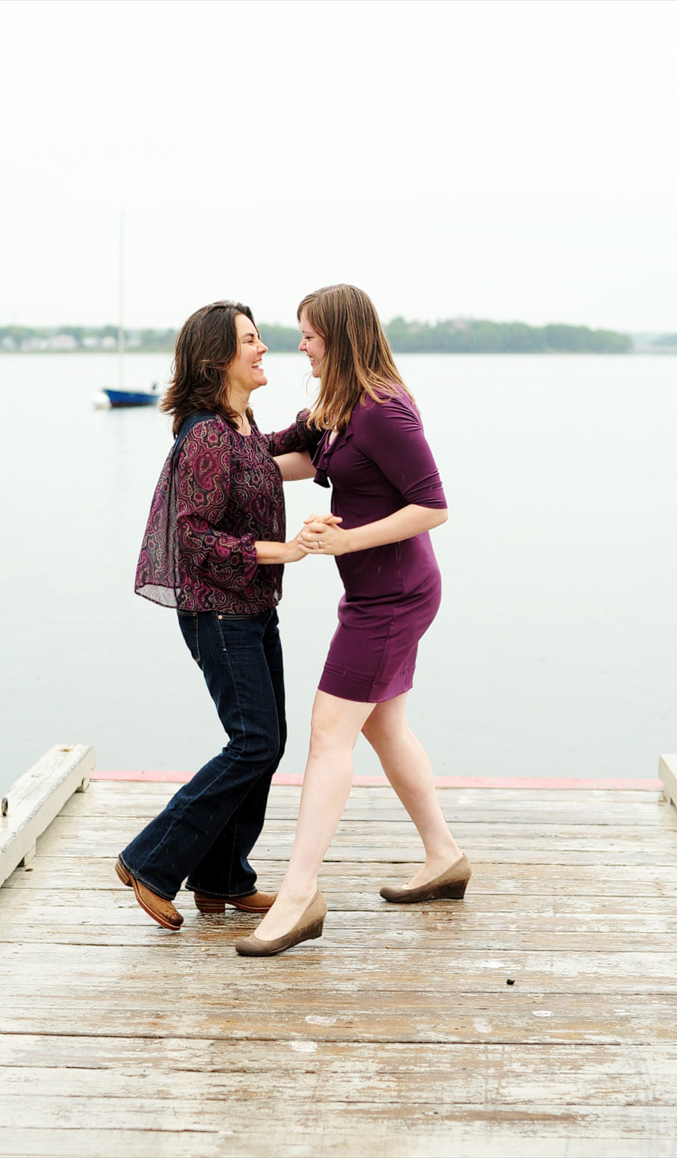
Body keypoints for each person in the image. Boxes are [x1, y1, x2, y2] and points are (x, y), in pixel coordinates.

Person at [235, 284, 471, 957]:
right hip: (376, 594)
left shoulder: (383, 412)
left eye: (307, 334)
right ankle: (444, 856)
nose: (299, 345)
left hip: (394, 597)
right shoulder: (336, 411)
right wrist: (219, 462)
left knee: (327, 733)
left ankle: (300, 893)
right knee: (386, 725)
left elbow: (432, 506)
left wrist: (344, 540)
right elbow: (292, 457)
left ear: (336, 337)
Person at [117, 301, 307, 931]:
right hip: (218, 613)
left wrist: (328, 420)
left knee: (267, 742)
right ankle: (151, 861)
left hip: (253, 608)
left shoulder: (242, 430)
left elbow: (277, 451)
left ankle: (223, 878)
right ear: (217, 358)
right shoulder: (203, 435)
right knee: (253, 741)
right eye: (250, 341)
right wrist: (280, 550)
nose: (263, 349)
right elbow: (193, 537)